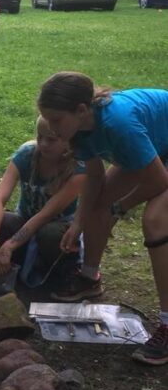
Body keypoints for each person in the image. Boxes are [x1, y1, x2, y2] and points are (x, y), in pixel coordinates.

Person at [37, 71, 168, 365]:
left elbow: (158, 181)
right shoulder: (80, 130)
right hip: (153, 147)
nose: (53, 129)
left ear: (81, 110)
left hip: (158, 150)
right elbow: (94, 178)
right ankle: (89, 276)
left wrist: (121, 207)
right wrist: (80, 221)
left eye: (57, 120)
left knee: (156, 220)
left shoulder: (118, 123)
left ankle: (167, 324)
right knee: (96, 206)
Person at [0, 115, 85, 287]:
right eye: (40, 137)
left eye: (51, 139)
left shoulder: (78, 169)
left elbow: (45, 215)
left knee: (49, 233)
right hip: (24, 220)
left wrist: (9, 245)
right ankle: (17, 263)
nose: (43, 144)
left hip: (57, 226)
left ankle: (61, 269)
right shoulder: (26, 154)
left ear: (68, 140)